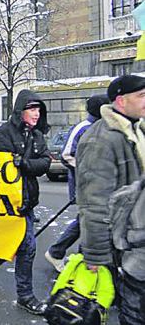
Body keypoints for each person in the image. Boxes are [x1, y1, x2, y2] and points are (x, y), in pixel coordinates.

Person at [0, 89, 51, 315]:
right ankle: (25, 295)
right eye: (32, 109)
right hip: (8, 203)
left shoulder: (37, 136)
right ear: (20, 110)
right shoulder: (3, 134)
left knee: (19, 246)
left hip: (27, 201)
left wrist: (25, 164)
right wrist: (18, 164)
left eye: (38, 109)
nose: (36, 114)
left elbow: (45, 162)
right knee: (25, 247)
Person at [76, 74, 145, 324]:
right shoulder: (101, 140)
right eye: (141, 96)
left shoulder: (137, 128)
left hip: (139, 238)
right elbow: (93, 203)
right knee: (134, 312)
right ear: (121, 101)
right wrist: (95, 256)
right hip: (126, 246)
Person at [45, 94, 109, 272]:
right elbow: (66, 155)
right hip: (85, 186)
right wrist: (88, 170)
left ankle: (78, 255)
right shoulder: (83, 127)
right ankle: (59, 253)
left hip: (99, 187)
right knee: (86, 221)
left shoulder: (104, 126)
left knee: (89, 221)